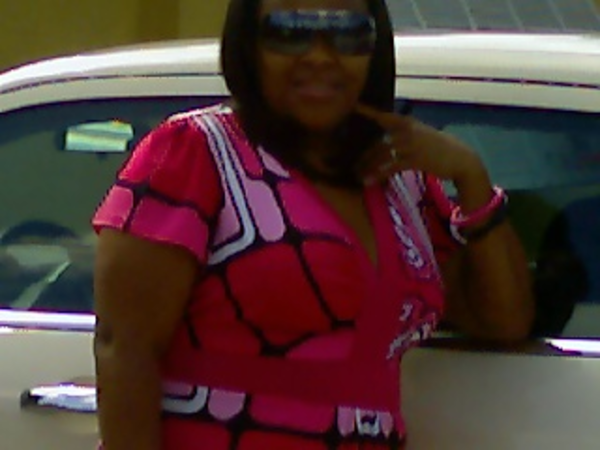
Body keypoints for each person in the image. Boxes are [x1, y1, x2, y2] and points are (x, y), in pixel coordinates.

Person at [92, 0, 533, 449]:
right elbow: (124, 347)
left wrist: (470, 175)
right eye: (289, 31)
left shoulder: (399, 175)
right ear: (248, 45)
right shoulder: (197, 151)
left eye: (349, 33)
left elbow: (503, 321)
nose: (321, 56)